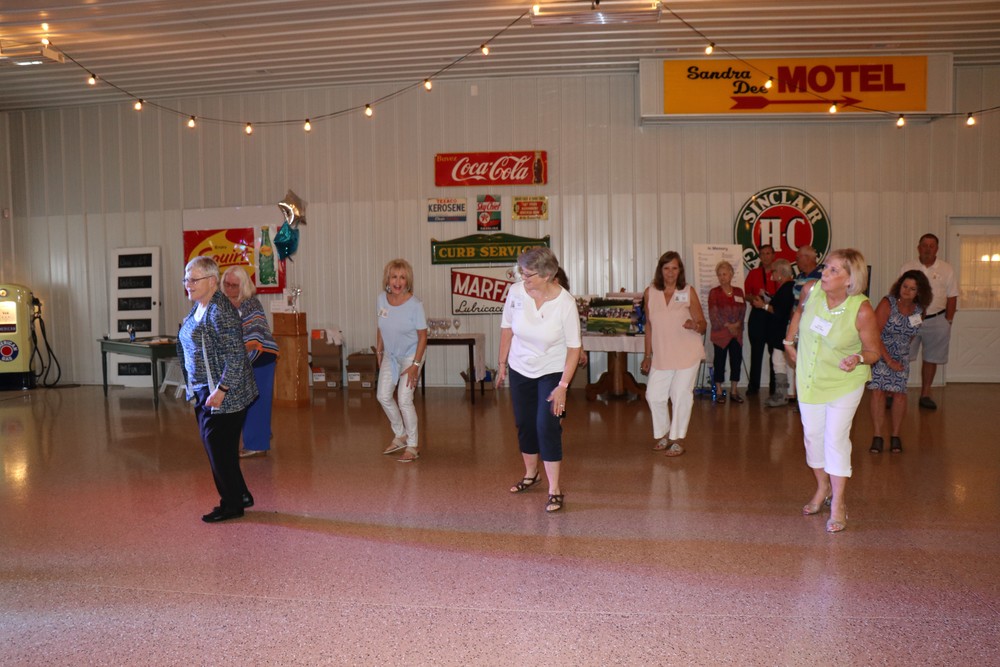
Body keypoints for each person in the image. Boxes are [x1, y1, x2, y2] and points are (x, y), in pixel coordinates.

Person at [784, 249, 881, 533]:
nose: (824, 273)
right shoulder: (811, 290)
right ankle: (822, 487)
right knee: (813, 437)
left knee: (835, 438)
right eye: (826, 267)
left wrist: (858, 358)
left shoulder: (861, 309)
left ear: (850, 279)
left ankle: (838, 502)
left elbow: (873, 351)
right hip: (810, 377)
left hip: (844, 381)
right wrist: (788, 341)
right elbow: (799, 312)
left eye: (833, 270)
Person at [497, 248, 581, 513]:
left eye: (529, 274)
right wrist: (501, 364)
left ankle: (554, 489)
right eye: (521, 272)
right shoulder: (516, 292)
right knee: (524, 423)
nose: (523, 278)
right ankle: (531, 474)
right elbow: (507, 329)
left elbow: (574, 348)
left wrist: (563, 386)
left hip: (552, 370)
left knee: (547, 425)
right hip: (520, 367)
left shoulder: (565, 303)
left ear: (547, 275)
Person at [177, 256, 258, 523]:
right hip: (205, 389)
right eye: (186, 279)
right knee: (221, 448)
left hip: (224, 393)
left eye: (193, 279)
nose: (188, 284)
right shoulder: (200, 306)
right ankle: (241, 494)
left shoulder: (220, 311)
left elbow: (236, 355)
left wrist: (221, 390)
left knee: (218, 449)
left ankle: (231, 505)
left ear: (212, 281)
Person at [640, 251, 707, 457]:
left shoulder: (688, 291)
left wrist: (694, 325)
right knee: (654, 395)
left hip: (687, 353)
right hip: (662, 354)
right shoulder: (650, 292)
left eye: (674, 268)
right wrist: (647, 355)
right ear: (660, 270)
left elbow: (703, 324)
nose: (670, 272)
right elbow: (649, 326)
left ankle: (677, 439)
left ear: (680, 271)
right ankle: (664, 433)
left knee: (680, 394)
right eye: (666, 268)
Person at [867, 270, 933, 453]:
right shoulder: (887, 303)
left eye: (912, 289)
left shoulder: (920, 310)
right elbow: (874, 333)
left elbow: (911, 335)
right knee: (878, 392)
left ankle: (895, 436)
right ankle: (877, 436)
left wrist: (900, 355)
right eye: (905, 286)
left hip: (901, 355)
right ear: (899, 285)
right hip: (881, 352)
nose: (907, 291)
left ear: (919, 292)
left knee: (900, 395)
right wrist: (888, 360)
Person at [221, 266, 279, 458]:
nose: (229, 288)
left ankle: (257, 446)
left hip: (261, 356)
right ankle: (262, 434)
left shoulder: (251, 304)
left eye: (234, 285)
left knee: (255, 401)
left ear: (244, 286)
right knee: (249, 400)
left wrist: (235, 358)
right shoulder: (223, 303)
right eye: (226, 284)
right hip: (242, 358)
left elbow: (254, 337)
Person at [375, 259, 428, 463]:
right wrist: (379, 350)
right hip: (390, 355)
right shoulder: (381, 299)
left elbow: (423, 336)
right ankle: (401, 434)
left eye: (402, 277)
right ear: (387, 279)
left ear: (408, 281)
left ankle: (413, 445)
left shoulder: (415, 305)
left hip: (411, 355)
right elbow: (381, 325)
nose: (397, 282)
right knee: (383, 396)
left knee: (404, 399)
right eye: (394, 277)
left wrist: (415, 366)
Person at [900, 233, 958, 410]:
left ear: (937, 249)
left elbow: (952, 296)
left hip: (937, 319)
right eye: (924, 245)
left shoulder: (946, 269)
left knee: (931, 358)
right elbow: (900, 294)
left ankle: (925, 394)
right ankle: (897, 391)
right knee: (902, 355)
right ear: (919, 247)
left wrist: (948, 321)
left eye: (931, 246)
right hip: (911, 319)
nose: (927, 249)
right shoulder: (908, 267)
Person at [758, 259, 795, 407]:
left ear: (780, 273)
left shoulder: (787, 288)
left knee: (778, 362)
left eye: (773, 271)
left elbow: (780, 311)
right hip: (782, 332)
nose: (771, 273)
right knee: (783, 363)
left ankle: (781, 395)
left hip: (782, 333)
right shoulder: (787, 287)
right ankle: (786, 394)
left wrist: (763, 305)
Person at [708, 260, 746, 403]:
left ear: (731, 275)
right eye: (719, 275)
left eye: (724, 274)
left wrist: (737, 325)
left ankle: (734, 391)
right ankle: (719, 391)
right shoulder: (714, 292)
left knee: (736, 361)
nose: (722, 277)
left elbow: (743, 310)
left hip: (736, 334)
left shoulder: (739, 291)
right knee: (719, 362)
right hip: (721, 334)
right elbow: (713, 313)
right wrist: (728, 325)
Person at [744, 244, 778, 395]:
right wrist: (755, 298)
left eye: (768, 253)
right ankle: (753, 386)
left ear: (774, 255)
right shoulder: (754, 273)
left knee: (774, 354)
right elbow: (746, 294)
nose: (765, 256)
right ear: (759, 256)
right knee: (756, 352)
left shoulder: (779, 272)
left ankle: (774, 387)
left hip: (773, 315)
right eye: (762, 254)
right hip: (758, 314)